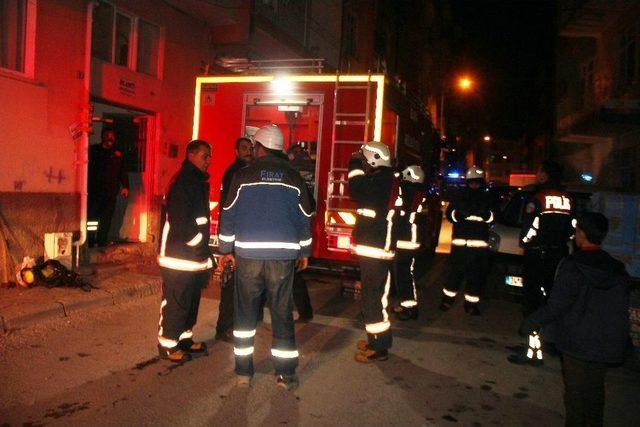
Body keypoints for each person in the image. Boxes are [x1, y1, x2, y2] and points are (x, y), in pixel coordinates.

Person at [218, 124, 312, 390]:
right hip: (282, 259)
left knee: (245, 316)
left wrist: (225, 251)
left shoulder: (243, 174)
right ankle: (285, 374)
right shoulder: (294, 177)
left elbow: (228, 214)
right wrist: (304, 251)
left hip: (248, 256)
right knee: (282, 314)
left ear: (259, 147)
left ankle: (243, 373)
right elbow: (305, 218)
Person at [518, 212, 630, 427]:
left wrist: (531, 322)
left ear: (581, 234)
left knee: (576, 396)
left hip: (577, 341)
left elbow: (557, 305)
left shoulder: (573, 265)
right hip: (605, 342)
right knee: (595, 392)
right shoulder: (617, 269)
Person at [508, 160, 575, 366]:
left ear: (545, 175)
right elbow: (572, 229)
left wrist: (525, 244)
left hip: (538, 256)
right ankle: (551, 343)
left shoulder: (538, 199)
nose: (536, 175)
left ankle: (533, 352)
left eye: (538, 172)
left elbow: (530, 230)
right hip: (558, 256)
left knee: (532, 302)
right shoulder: (567, 199)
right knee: (552, 301)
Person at [156, 140, 213, 363]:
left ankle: (184, 338)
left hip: (193, 257)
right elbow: (181, 221)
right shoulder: (183, 182)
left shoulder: (196, 181)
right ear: (190, 155)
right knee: (176, 303)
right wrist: (199, 242)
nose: (208, 161)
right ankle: (168, 345)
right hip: (178, 257)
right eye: (204, 156)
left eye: (209, 156)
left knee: (190, 302)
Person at [348, 141, 401, 363]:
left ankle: (379, 348)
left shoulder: (382, 181)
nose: (364, 165)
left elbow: (356, 190)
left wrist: (353, 164)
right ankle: (375, 340)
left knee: (373, 299)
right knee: (373, 298)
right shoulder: (384, 180)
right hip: (375, 250)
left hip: (377, 251)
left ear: (373, 159)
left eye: (364, 160)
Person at [440, 167, 495, 315]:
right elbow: (450, 214)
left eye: (477, 182)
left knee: (476, 277)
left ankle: (471, 305)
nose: (475, 185)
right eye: (472, 182)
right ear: (468, 182)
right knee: (453, 275)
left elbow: (494, 217)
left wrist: (486, 215)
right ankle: (447, 300)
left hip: (478, 247)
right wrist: (458, 214)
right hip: (460, 245)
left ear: (481, 182)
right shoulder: (459, 196)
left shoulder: (488, 197)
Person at [215, 136, 254, 343]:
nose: (248, 151)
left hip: (243, 238)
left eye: (250, 148)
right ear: (237, 151)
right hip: (235, 239)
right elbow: (229, 208)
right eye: (244, 148)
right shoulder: (234, 173)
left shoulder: (248, 172)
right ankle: (223, 328)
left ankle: (235, 324)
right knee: (229, 287)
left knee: (242, 286)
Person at [393, 165, 428, 321]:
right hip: (410, 239)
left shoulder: (409, 192)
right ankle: (407, 305)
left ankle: (409, 308)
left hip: (405, 239)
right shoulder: (420, 193)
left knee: (405, 274)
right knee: (405, 274)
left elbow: (400, 214)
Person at [88, 128, 129, 247]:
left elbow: (122, 171)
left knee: (106, 218)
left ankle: (102, 240)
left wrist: (125, 186)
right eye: (108, 136)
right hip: (95, 192)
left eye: (113, 136)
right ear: (103, 137)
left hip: (110, 193)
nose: (111, 139)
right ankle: (90, 240)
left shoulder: (117, 154)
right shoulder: (95, 151)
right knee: (92, 219)